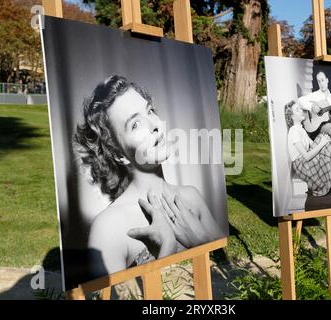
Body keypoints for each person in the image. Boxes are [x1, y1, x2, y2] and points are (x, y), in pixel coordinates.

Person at [74, 75, 223, 278]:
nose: (153, 124)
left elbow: (229, 273)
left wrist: (200, 240)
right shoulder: (108, 227)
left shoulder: (191, 196)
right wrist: (166, 251)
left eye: (150, 111)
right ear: (118, 154)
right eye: (135, 124)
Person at [285, 100, 331, 197]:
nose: (301, 111)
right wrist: (321, 144)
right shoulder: (293, 131)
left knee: (323, 140)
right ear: (292, 116)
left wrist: (323, 143)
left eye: (300, 108)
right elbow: (306, 157)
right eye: (297, 110)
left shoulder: (300, 129)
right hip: (302, 165)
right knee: (322, 140)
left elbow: (312, 144)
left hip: (306, 160)